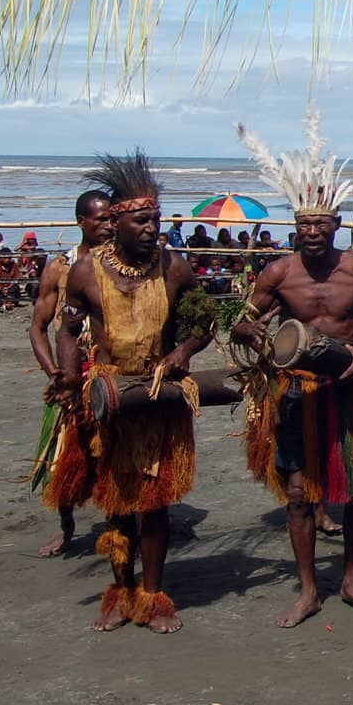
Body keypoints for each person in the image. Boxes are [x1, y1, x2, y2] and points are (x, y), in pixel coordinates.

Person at [232, 114, 353, 627]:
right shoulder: (278, 272)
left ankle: (352, 580)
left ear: (337, 225)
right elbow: (241, 324)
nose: (311, 232)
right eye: (303, 225)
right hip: (298, 390)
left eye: (320, 225)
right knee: (299, 492)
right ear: (294, 227)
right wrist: (255, 333)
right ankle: (309, 590)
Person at [54, 152, 215, 633]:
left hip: (160, 398)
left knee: (155, 503)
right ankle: (121, 592)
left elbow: (205, 321)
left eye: (156, 220)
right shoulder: (85, 273)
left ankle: (153, 595)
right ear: (118, 223)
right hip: (110, 397)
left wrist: (184, 350)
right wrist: (68, 376)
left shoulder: (175, 268)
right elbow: (66, 329)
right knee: (117, 502)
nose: (151, 229)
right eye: (142, 221)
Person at [28, 189, 112, 557]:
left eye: (112, 218)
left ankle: (121, 528)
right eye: (100, 219)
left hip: (110, 374)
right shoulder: (59, 268)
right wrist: (56, 374)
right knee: (65, 460)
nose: (108, 225)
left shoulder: (121, 265)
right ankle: (67, 529)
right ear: (81, 222)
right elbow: (38, 327)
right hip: (71, 378)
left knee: (113, 455)